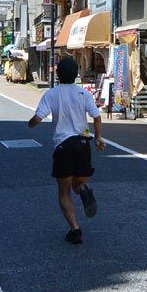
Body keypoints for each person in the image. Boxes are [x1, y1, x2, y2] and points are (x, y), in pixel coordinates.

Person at [28, 57, 106, 245]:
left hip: (63, 145)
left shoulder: (52, 94)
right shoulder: (83, 93)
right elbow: (96, 117)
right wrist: (97, 138)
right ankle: (84, 189)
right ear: (76, 73)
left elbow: (38, 118)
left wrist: (30, 124)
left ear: (58, 74)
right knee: (78, 183)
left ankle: (75, 229)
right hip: (83, 143)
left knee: (64, 191)